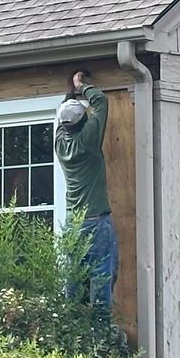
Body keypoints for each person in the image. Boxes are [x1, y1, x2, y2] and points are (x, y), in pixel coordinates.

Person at [54, 69, 116, 310]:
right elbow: (101, 102)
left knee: (74, 280)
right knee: (101, 276)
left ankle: (74, 326)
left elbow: (62, 117)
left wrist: (69, 92)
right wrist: (80, 85)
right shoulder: (88, 141)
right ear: (83, 122)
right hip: (95, 221)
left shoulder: (60, 144)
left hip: (73, 223)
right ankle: (101, 335)